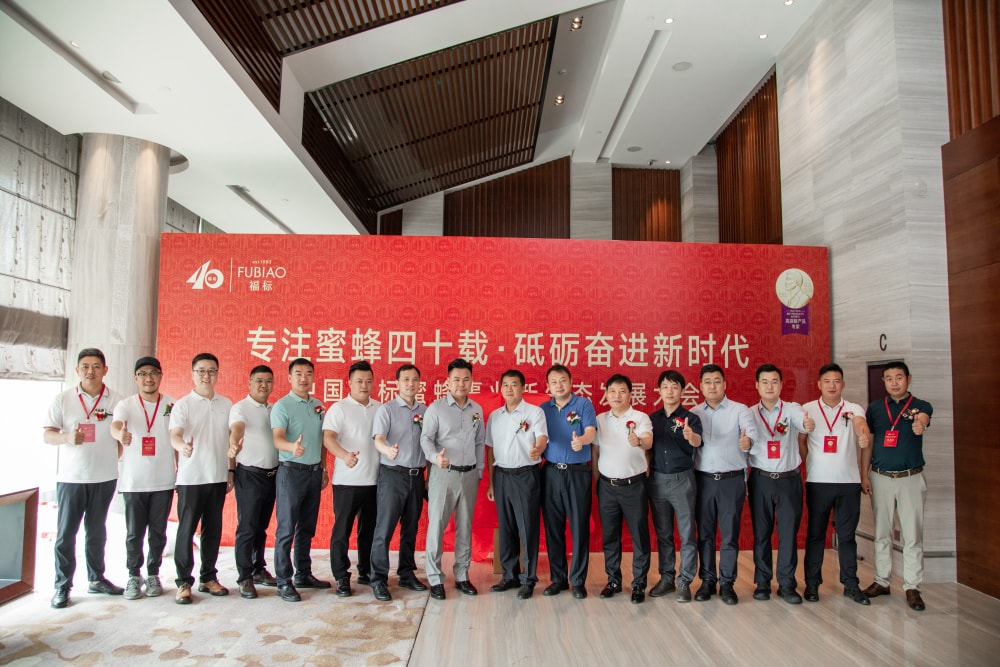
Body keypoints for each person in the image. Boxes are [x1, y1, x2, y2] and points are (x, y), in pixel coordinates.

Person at [44, 348, 125, 608]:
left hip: (104, 477)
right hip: (72, 478)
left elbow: (120, 437)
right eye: (85, 367)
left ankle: (96, 578)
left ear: (105, 370)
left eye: (96, 366)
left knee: (97, 531)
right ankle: (62, 585)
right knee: (66, 534)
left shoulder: (116, 401)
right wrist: (67, 437)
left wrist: (111, 457)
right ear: (77, 370)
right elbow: (47, 434)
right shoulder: (63, 399)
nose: (91, 371)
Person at [861, 361, 933, 611]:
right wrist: (864, 474)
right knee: (882, 532)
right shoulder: (875, 409)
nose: (894, 383)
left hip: (910, 478)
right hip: (880, 477)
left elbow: (923, 419)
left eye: (899, 377)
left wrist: (920, 424)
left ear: (908, 379)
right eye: (889, 378)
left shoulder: (920, 406)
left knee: (912, 535)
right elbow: (869, 442)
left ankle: (912, 586)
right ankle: (882, 581)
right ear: (883, 381)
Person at [798, 362, 872, 605]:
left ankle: (851, 584)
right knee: (816, 535)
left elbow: (860, 424)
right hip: (818, 482)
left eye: (836, 381)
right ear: (819, 384)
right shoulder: (807, 409)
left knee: (847, 536)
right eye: (827, 381)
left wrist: (862, 434)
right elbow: (801, 441)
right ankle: (812, 584)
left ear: (843, 384)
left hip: (848, 483)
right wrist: (811, 464)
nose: (832, 386)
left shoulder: (853, 408)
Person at [169, 352, 234, 604]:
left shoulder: (226, 404)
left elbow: (231, 441)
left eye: (211, 371)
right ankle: (184, 582)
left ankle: (208, 577)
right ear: (193, 374)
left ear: (217, 374)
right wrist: (182, 446)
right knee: (186, 530)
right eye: (201, 371)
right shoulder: (183, 405)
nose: (206, 375)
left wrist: (230, 470)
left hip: (217, 476)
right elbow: (175, 434)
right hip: (191, 478)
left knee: (212, 530)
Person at [110, 356, 176, 601]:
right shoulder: (126, 405)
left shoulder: (171, 405)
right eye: (143, 374)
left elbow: (177, 438)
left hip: (163, 480)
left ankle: (153, 574)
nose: (149, 378)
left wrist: (180, 470)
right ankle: (133, 575)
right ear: (135, 378)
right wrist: (120, 435)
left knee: (158, 533)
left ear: (160, 376)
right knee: (134, 533)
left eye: (154, 373)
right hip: (134, 482)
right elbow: (115, 426)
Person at [747, 364, 814, 604]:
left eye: (774, 382)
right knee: (761, 534)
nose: (769, 386)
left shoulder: (792, 409)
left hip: (788, 480)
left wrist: (807, 425)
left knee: (788, 534)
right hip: (761, 479)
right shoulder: (749, 413)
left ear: (781, 385)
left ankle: (787, 584)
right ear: (757, 385)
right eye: (765, 382)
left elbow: (803, 422)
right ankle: (763, 582)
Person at [690, 363, 757, 605]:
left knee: (729, 534)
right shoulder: (694, 413)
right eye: (707, 382)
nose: (712, 386)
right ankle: (708, 580)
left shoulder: (740, 410)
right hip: (703, 481)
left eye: (717, 381)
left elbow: (751, 434)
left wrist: (748, 442)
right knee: (705, 534)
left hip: (731, 481)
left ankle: (727, 582)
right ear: (700, 386)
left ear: (725, 384)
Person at [420, 358, 485, 601]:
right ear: (447, 382)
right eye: (456, 379)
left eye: (466, 379)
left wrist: (479, 471)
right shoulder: (436, 409)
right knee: (437, 525)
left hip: (469, 475)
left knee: (465, 526)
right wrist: (435, 457)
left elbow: (480, 442)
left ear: (471, 381)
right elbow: (426, 439)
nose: (461, 384)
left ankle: (462, 575)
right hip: (444, 474)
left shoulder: (476, 410)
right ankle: (435, 578)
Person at [271, 357, 330, 602]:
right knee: (286, 529)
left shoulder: (318, 405)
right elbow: (277, 438)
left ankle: (303, 574)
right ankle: (283, 581)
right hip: (291, 472)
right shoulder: (282, 406)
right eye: (298, 374)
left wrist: (324, 468)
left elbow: (323, 440)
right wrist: (291, 448)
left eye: (308, 374)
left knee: (307, 527)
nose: (304, 378)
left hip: (314, 473)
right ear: (289, 378)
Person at [369, 364, 430, 602]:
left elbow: (430, 443)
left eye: (415, 379)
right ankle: (378, 579)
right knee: (384, 529)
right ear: (397, 383)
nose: (410, 384)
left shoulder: (425, 411)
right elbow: (379, 439)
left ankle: (406, 573)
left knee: (410, 527)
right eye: (406, 379)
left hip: (417, 476)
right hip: (393, 475)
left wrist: (429, 475)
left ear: (419, 383)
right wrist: (387, 450)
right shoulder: (387, 410)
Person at [486, 369, 548, 600]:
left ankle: (528, 578)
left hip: (525, 476)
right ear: (500, 388)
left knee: (527, 528)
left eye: (514, 384)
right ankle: (509, 575)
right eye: (505, 385)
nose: (509, 389)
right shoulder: (495, 416)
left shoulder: (534, 412)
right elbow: (491, 449)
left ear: (523, 387)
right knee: (507, 527)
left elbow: (542, 438)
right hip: (502, 476)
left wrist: (538, 449)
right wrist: (492, 482)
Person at [323, 360, 381, 598]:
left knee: (369, 531)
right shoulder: (339, 408)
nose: (364, 385)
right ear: (349, 383)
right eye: (359, 381)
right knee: (342, 532)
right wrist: (344, 455)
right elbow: (328, 438)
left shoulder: (380, 408)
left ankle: (366, 571)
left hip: (374, 481)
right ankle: (341, 576)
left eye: (368, 381)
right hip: (347, 482)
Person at [593, 373, 653, 604]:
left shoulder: (640, 417)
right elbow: (595, 452)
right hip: (607, 486)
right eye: (612, 391)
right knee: (610, 536)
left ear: (630, 394)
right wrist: (597, 482)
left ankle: (639, 584)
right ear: (606, 394)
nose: (617, 395)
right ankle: (613, 581)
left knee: (639, 536)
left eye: (622, 391)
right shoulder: (600, 419)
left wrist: (639, 441)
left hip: (634, 486)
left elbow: (648, 440)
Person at [540, 364, 597, 599]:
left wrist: (581, 440)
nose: (559, 385)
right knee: (553, 528)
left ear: (571, 382)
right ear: (548, 386)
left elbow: (591, 431)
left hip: (577, 473)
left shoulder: (583, 404)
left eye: (563, 380)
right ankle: (559, 579)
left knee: (579, 527)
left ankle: (578, 580)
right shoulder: (543, 409)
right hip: (551, 472)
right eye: (554, 382)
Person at [647, 369, 703, 603]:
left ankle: (685, 581)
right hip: (658, 480)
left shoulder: (691, 418)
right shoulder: (652, 419)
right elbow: (648, 450)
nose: (669, 391)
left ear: (682, 391)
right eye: (665, 387)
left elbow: (698, 441)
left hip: (683, 480)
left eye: (674, 387)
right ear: (659, 390)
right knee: (663, 533)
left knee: (687, 532)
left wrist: (690, 436)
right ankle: (667, 578)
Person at [228, 365, 278, 599]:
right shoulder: (241, 408)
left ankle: (258, 569)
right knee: (247, 528)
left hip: (272, 475)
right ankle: (244, 577)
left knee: (261, 527)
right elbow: (237, 428)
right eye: (259, 380)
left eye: (268, 381)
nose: (263, 385)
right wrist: (234, 443)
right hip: (249, 475)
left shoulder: (274, 409)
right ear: (249, 383)